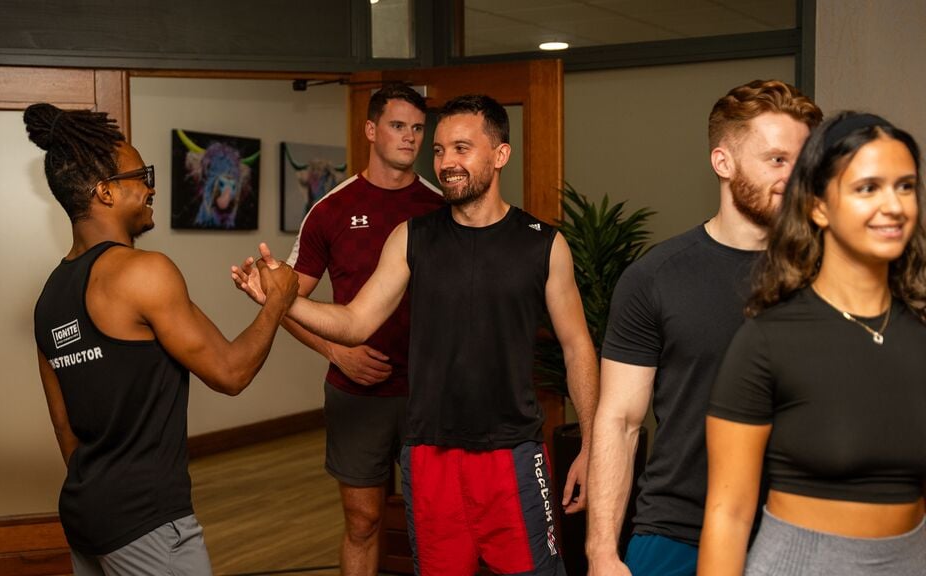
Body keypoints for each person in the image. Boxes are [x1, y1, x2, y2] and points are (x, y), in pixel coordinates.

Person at [235, 94, 598, 575]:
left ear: (500, 154)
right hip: (430, 453)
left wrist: (593, 446)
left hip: (511, 453)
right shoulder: (412, 237)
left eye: (462, 149)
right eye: (442, 150)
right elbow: (356, 322)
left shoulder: (543, 244)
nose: (447, 163)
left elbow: (577, 349)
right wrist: (283, 299)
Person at [25, 103, 299, 575]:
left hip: (87, 514)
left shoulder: (49, 296)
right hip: (148, 522)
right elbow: (231, 372)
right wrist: (278, 300)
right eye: (141, 174)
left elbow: (66, 431)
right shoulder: (144, 272)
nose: (151, 186)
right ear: (105, 192)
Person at [586, 80, 822, 576]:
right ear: (723, 163)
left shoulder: (831, 276)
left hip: (799, 535)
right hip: (677, 531)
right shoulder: (655, 277)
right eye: (776, 160)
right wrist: (601, 551)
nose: (793, 177)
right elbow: (621, 421)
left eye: (801, 163)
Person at [699, 113, 926, 575]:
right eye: (868, 188)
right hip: (802, 564)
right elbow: (728, 514)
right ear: (819, 207)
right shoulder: (768, 341)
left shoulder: (919, 330)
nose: (894, 205)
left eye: (905, 186)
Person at [282, 82, 444, 576]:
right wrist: (336, 351)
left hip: (430, 394)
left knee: (436, 525)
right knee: (363, 521)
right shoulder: (330, 209)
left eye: (418, 129)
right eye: (398, 126)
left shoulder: (442, 209)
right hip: (357, 392)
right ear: (372, 129)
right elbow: (285, 303)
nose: (410, 138)